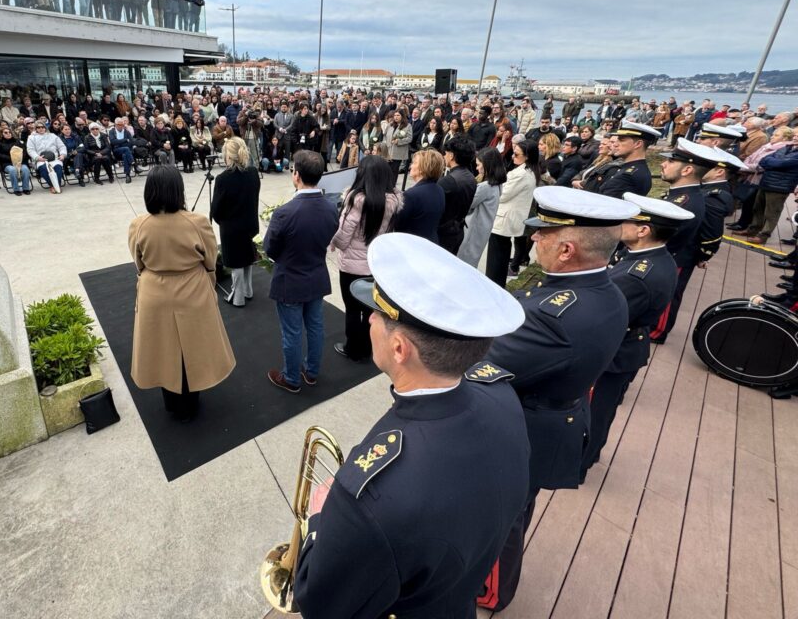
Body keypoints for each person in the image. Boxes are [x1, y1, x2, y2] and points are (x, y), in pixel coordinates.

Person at [293, 232, 530, 619]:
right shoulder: (501, 396)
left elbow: (318, 603)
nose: (369, 317)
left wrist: (319, 518)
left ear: (400, 348)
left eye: (377, 314)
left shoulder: (367, 499)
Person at [478, 186, 637, 611]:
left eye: (542, 234)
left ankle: (490, 590)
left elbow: (481, 364)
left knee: (499, 518)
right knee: (515, 509)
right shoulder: (603, 290)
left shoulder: (558, 314)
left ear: (567, 249)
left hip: (525, 429)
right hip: (554, 415)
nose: (533, 239)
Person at [580, 193, 692, 478]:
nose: (620, 224)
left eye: (626, 220)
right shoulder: (649, 260)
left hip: (614, 353)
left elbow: (601, 316)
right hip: (626, 345)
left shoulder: (636, 276)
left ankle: (577, 464)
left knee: (594, 412)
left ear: (643, 230)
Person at [128, 165, 235, 421]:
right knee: (193, 348)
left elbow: (138, 262)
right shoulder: (196, 222)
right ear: (179, 190)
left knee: (162, 348)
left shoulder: (138, 225)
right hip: (192, 289)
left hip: (154, 291)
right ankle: (190, 402)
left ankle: (171, 403)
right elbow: (211, 259)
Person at [265, 150, 339, 393]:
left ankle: (292, 378)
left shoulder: (285, 212)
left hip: (290, 280)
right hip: (316, 274)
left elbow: (270, 249)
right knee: (316, 327)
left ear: (296, 175)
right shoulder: (331, 208)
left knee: (292, 332)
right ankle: (311, 371)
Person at [330, 155, 401, 362]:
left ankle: (353, 348)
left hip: (352, 265)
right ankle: (369, 346)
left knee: (352, 309)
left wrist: (333, 243)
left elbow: (343, 236)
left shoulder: (356, 200)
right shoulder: (392, 201)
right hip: (376, 265)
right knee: (371, 308)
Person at [649, 139, 716, 344]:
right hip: (672, 254)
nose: (663, 164)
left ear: (687, 169)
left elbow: (670, 237)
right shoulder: (683, 195)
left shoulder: (685, 202)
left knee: (668, 296)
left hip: (675, 257)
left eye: (670, 162)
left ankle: (657, 331)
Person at [210, 138, 261, 308]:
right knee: (247, 257)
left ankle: (238, 297)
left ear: (228, 157)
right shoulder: (253, 172)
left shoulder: (223, 179)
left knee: (236, 261)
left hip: (231, 227)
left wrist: (223, 221)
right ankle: (248, 290)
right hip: (250, 223)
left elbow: (216, 210)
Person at [486, 140, 541, 286]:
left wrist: (495, 186)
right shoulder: (529, 171)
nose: (512, 157)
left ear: (527, 156)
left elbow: (503, 195)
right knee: (500, 254)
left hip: (505, 219)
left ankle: (493, 285)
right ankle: (496, 283)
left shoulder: (521, 174)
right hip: (509, 219)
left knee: (496, 259)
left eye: (516, 154)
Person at [458, 147, 506, 267]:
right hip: (482, 229)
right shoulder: (496, 184)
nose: (476, 168)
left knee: (463, 262)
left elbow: (467, 204)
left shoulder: (485, 187)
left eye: (479, 165)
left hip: (473, 230)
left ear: (488, 166)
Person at [393, 148, 445, 242]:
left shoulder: (411, 195)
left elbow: (397, 224)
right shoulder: (439, 189)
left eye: (414, 163)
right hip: (431, 241)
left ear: (422, 168)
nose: (411, 166)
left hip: (412, 244)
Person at [437, 135, 478, 256]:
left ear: (452, 155)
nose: (444, 156)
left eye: (446, 153)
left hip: (444, 233)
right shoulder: (471, 177)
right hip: (458, 230)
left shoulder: (449, 181)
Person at [598, 121, 659, 198]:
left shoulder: (629, 175)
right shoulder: (632, 168)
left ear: (638, 144)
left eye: (621, 140)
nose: (615, 144)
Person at [25, 120, 67, 193]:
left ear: (45, 127)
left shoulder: (52, 136)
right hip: (41, 159)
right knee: (43, 168)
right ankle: (52, 185)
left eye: (42, 127)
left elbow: (61, 146)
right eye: (38, 127)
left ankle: (58, 185)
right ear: (36, 128)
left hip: (54, 158)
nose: (41, 129)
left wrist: (63, 154)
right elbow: (30, 150)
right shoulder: (31, 137)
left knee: (58, 167)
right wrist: (37, 158)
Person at [0, 125, 32, 195]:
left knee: (25, 169)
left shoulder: (17, 141)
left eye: (10, 132)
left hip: (19, 162)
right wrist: (11, 158)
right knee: (13, 170)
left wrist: (20, 158)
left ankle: (26, 188)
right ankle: (16, 189)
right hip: (7, 163)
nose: (8, 134)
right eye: (6, 133)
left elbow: (24, 151)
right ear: (2, 134)